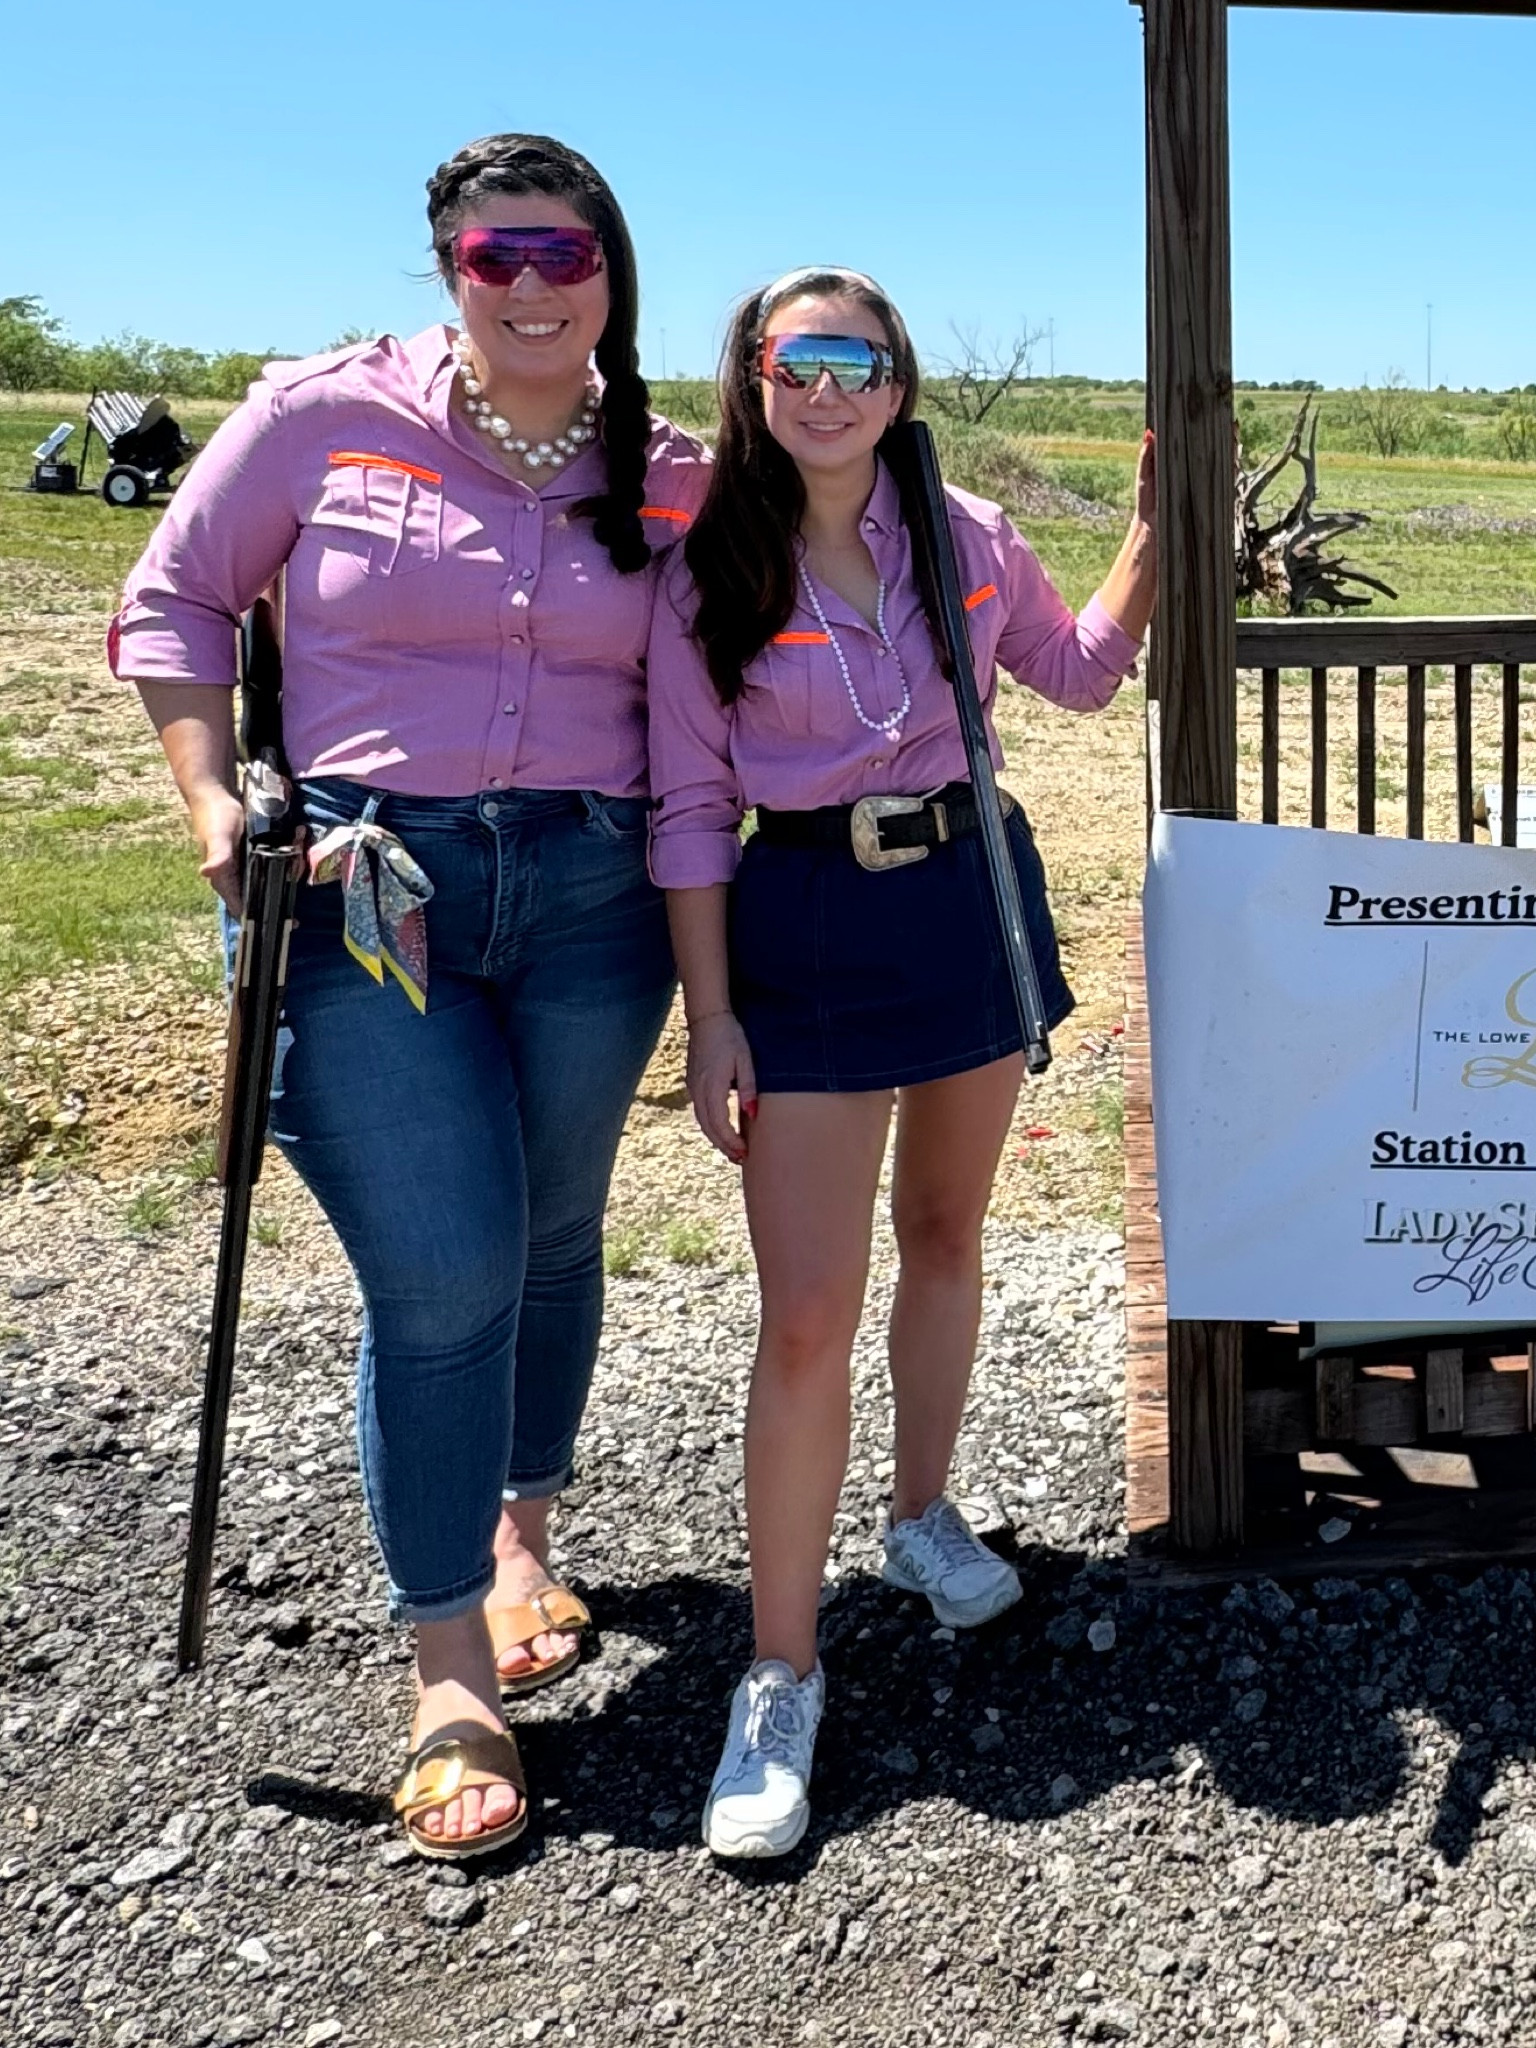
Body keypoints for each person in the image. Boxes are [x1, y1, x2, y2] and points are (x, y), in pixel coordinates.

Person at [112, 134, 709, 1859]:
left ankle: (527, 1530)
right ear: (449, 268)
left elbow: (814, 572)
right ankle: (451, 1662)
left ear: (611, 268)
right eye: (492, 257)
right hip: (368, 892)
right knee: (446, 1267)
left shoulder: (665, 470)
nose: (529, 285)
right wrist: (213, 799)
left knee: (553, 1231)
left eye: (561, 254)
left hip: (598, 895)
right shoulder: (319, 414)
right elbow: (177, 603)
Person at [647, 268, 1156, 1858]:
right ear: (751, 378)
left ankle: (922, 1518)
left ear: (898, 380)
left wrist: (1155, 531)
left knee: (946, 1236)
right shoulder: (709, 561)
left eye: (855, 360)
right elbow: (685, 813)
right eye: (796, 360)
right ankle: (780, 1671)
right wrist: (711, 1014)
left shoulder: (967, 532)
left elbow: (1073, 673)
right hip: (797, 926)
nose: (828, 387)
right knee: (805, 1315)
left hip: (963, 910)